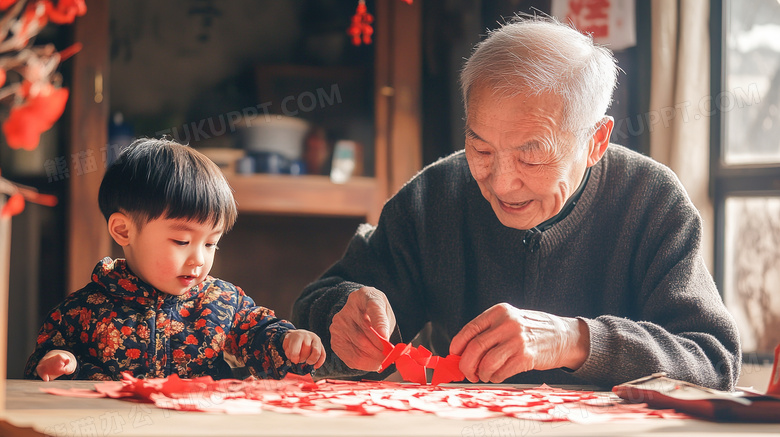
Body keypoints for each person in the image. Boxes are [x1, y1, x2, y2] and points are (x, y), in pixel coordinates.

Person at [293, 17, 741, 390]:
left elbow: (713, 361)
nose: (502, 183)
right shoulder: (434, 198)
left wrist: (575, 340)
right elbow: (309, 319)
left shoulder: (651, 201)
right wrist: (343, 314)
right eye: (481, 149)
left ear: (595, 141)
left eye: (532, 154)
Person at [25, 138, 326, 381]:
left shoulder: (222, 302)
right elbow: (45, 359)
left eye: (211, 244)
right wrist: (57, 363)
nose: (199, 259)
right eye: (182, 241)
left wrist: (288, 342)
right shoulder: (86, 309)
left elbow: (257, 333)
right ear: (123, 230)